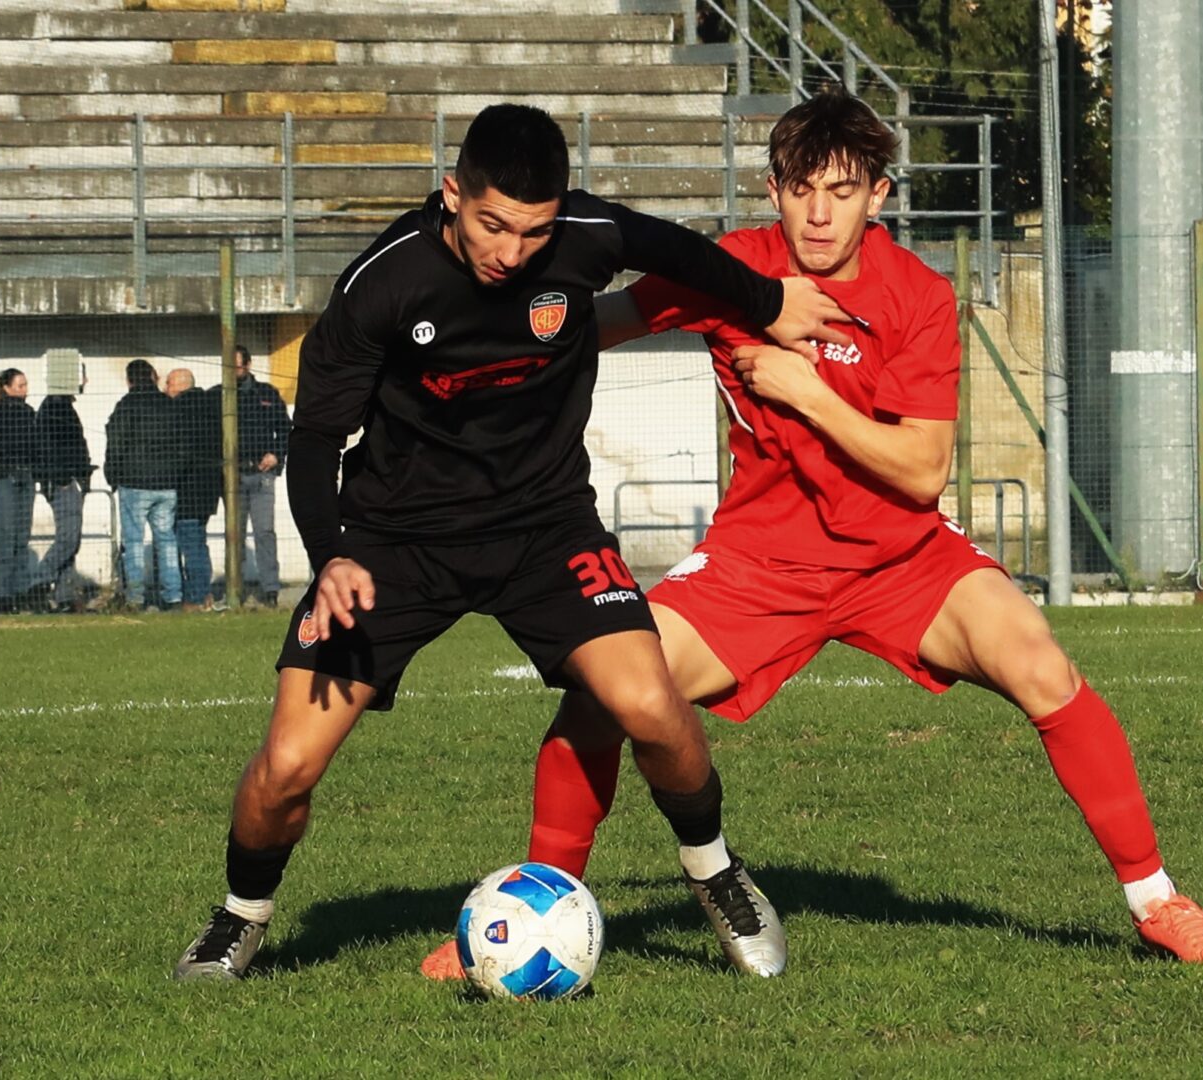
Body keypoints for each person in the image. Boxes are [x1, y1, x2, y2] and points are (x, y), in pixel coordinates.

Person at [421, 88, 1203, 980]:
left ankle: (1158, 902)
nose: (819, 214)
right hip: (758, 563)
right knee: (606, 696)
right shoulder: (729, 270)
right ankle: (534, 912)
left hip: (901, 557)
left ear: (878, 195)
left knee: (1040, 665)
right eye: (801, 189)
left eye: (843, 191)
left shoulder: (917, 295)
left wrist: (805, 391)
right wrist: (467, 347)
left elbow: (921, 470)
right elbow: (588, 327)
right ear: (773, 190)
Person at [172, 102, 850, 981]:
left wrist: (769, 303)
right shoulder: (383, 281)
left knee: (651, 707)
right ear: (452, 194)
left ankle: (716, 874)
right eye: (493, 225)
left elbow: (679, 252)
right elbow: (315, 439)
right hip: (392, 545)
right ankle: (240, 916)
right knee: (287, 766)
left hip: (544, 527)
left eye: (533, 232)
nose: (512, 251)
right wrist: (330, 550)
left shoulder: (583, 236)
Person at [104, 359, 183, 611]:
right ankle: (173, 596)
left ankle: (135, 597)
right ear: (153, 376)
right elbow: (182, 442)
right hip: (167, 483)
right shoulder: (169, 405)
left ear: (129, 380)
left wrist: (112, 475)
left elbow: (115, 443)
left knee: (134, 541)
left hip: (134, 482)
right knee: (167, 540)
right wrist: (176, 474)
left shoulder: (126, 406)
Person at [32, 369, 94, 614]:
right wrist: (64, 478)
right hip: (62, 482)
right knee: (69, 538)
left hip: (67, 480)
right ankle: (38, 582)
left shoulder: (59, 406)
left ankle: (65, 595)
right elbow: (49, 446)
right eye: (82, 376)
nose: (85, 381)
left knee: (70, 538)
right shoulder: (55, 408)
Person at [233, 345, 290, 608]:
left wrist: (276, 455)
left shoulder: (267, 393)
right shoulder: (219, 395)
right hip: (233, 475)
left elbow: (286, 429)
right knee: (234, 533)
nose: (234, 370)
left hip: (262, 473)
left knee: (264, 531)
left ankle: (270, 590)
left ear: (248, 364)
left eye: (237, 365)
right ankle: (236, 589)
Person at [165, 368, 222, 612]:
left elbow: (179, 451)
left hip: (186, 487)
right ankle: (203, 593)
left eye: (168, 383)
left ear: (179, 385)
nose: (165, 388)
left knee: (190, 544)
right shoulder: (213, 407)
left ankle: (196, 596)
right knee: (198, 541)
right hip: (209, 486)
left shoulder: (178, 410)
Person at [0, 368, 39, 614]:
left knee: (21, 536)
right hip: (7, 475)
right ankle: (3, 594)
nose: (25, 390)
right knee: (6, 536)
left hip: (25, 473)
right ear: (6, 388)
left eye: (25, 385)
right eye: (20, 386)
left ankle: (19, 591)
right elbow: (1, 444)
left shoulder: (29, 412)